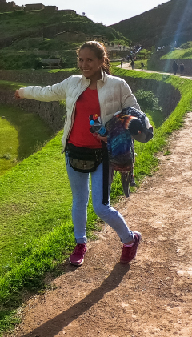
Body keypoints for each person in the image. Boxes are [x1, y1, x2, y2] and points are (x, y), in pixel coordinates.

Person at [14, 41, 142, 266]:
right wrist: (23, 92)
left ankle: (130, 239)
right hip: (74, 152)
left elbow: (135, 113)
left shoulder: (117, 85)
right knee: (79, 200)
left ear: (102, 61)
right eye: (81, 60)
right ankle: (80, 243)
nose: (84, 65)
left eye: (89, 60)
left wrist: (117, 129)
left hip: (103, 153)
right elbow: (48, 92)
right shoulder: (73, 83)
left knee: (101, 207)